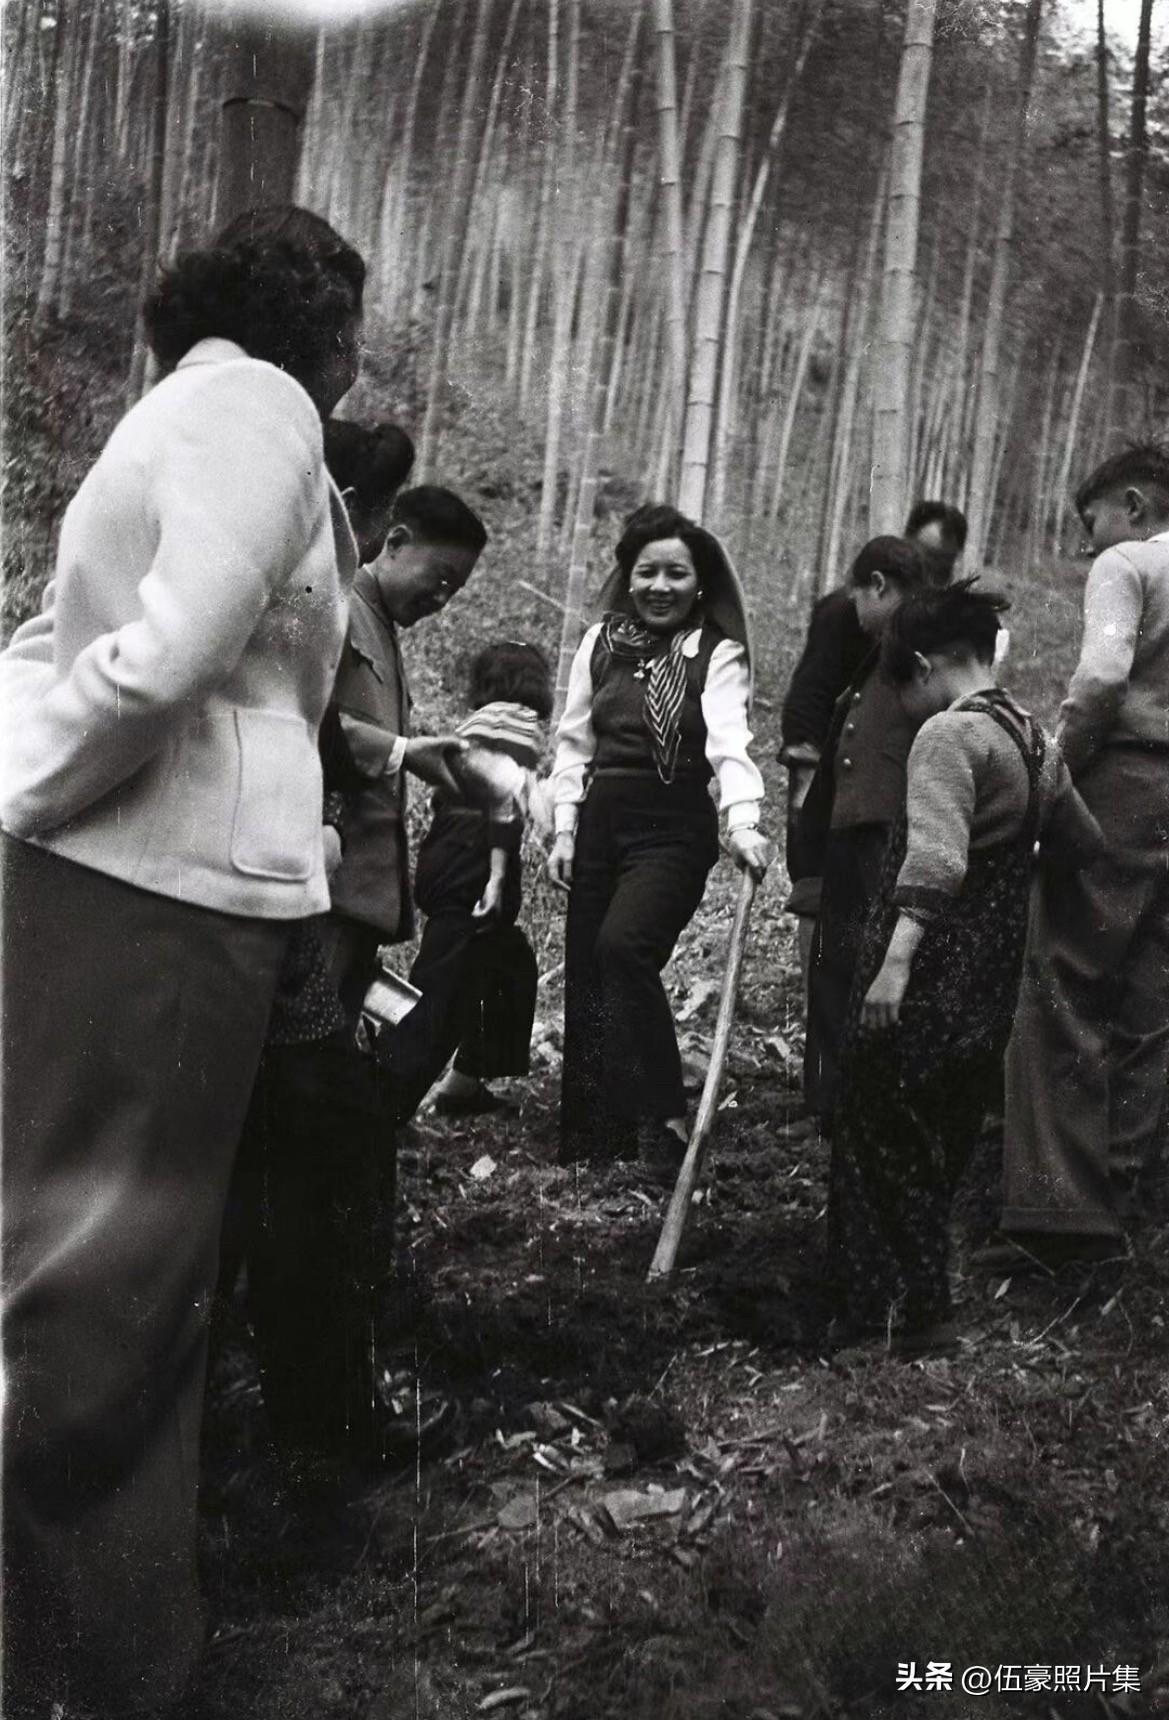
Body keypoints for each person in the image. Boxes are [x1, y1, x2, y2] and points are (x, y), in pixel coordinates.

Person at [0, 206, 365, 1720]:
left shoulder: (174, 410)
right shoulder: (258, 403)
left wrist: (23, 765)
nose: (354, 359)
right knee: (109, 1281)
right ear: (313, 320)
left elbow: (52, 639)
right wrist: (27, 787)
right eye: (351, 324)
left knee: (79, 1265)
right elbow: (170, 650)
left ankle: (86, 1639)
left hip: (120, 874)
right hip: (152, 887)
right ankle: (90, 1666)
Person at [827, 584, 1102, 1355]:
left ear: (919, 665)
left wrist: (893, 969)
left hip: (925, 967)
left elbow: (937, 859)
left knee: (875, 1128)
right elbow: (1080, 841)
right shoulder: (1032, 737)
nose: (907, 708)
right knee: (935, 1139)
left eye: (902, 690)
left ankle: (872, 1321)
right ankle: (924, 1313)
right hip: (986, 979)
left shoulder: (948, 737)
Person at [227, 418, 416, 1490]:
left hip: (261, 916)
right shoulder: (284, 581)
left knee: (289, 1165)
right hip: (255, 923)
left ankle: (301, 1405)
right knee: (316, 1165)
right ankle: (316, 1412)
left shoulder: (288, 581)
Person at [981, 444, 1169, 1270]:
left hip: (1123, 785)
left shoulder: (1126, 565)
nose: (1087, 541)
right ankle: (1124, 1196)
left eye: (1087, 521)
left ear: (1130, 503)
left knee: (1060, 981)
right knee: (1151, 1005)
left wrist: (1050, 767)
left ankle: (1059, 1217)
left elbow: (1098, 678)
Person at [549, 503, 769, 1167]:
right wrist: (564, 827)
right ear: (628, 576)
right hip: (599, 822)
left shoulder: (716, 652)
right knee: (589, 967)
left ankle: (664, 1115)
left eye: (677, 574)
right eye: (647, 572)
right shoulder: (600, 642)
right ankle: (594, 1138)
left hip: (672, 828)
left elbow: (730, 741)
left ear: (698, 584)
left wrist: (743, 821)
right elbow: (573, 738)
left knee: (623, 947)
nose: (660, 587)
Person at [320, 484, 489, 1026]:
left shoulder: (383, 627)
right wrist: (401, 751)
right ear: (394, 541)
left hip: (361, 891)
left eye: (455, 591)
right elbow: (304, 721)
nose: (441, 600)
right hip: (322, 880)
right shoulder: (333, 606)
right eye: (440, 579)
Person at [780, 503, 967, 980]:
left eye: (943, 566)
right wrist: (806, 785)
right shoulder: (844, 612)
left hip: (899, 789)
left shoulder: (939, 624)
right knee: (817, 889)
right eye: (926, 560)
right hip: (831, 779)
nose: (933, 574)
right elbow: (809, 700)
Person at [375, 640, 552, 1121]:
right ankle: (379, 1109)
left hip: (445, 850)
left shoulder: (480, 722)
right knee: (442, 992)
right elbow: (503, 803)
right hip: (476, 857)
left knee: (511, 965)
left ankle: (465, 1082)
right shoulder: (520, 723)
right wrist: (497, 875)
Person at [791, 536, 931, 1131]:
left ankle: (866, 1107)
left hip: (888, 834)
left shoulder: (922, 652)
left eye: (858, 593)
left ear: (878, 585)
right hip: (849, 831)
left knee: (873, 966)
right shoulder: (875, 652)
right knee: (833, 962)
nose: (852, 606)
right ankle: (826, 1105)